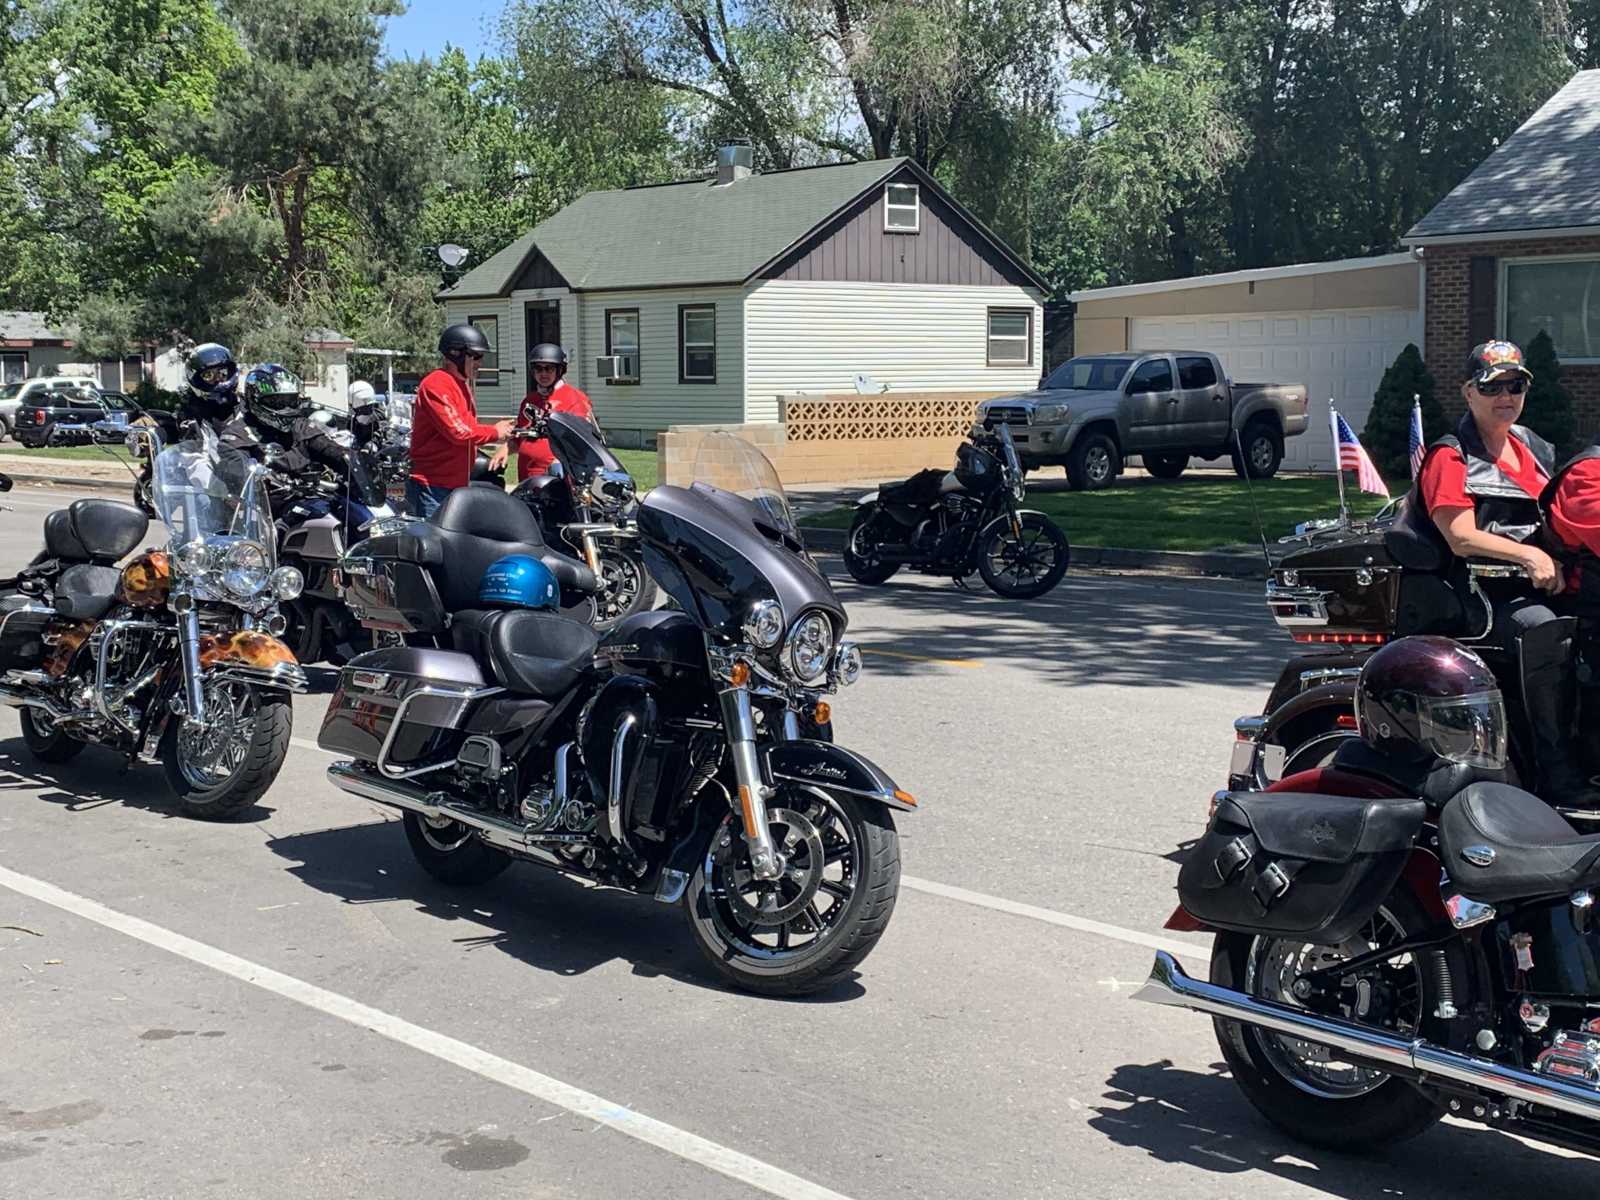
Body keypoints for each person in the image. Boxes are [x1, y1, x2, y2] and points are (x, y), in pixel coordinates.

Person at [1399, 338, 1593, 805]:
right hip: (1476, 595)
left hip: (1534, 583)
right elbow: (1460, 536)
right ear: (1468, 392)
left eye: (1515, 386)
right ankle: (1556, 771)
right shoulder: (1451, 456)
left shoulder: (1531, 446)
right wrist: (1528, 556)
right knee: (1545, 631)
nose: (1506, 396)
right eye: (1492, 387)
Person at [407, 323, 514, 518]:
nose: (480, 363)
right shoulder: (437, 384)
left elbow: (469, 428)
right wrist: (495, 432)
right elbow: (459, 432)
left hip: (454, 484)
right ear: (456, 354)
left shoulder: (461, 385)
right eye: (476, 357)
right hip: (432, 487)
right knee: (436, 538)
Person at [499, 343, 595, 481]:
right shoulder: (530, 400)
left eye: (549, 369)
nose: (543, 374)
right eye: (538, 369)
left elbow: (582, 439)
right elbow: (521, 435)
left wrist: (560, 462)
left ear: (559, 370)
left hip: (557, 476)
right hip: (527, 475)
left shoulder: (575, 398)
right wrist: (506, 448)